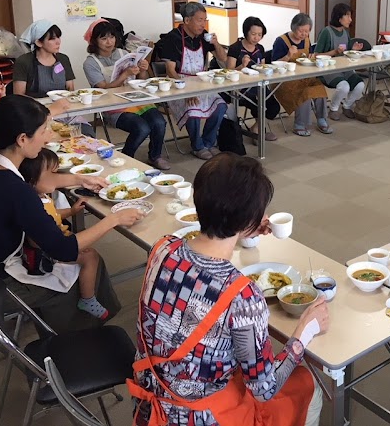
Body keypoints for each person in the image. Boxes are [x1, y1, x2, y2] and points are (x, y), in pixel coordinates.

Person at [130, 153, 329, 426]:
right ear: (247, 219)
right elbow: (264, 389)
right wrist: (304, 332)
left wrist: (244, 227)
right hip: (202, 418)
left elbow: (202, 269)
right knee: (308, 386)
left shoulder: (162, 248)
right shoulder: (242, 296)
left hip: (149, 408)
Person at [0, 95, 142, 333]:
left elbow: (37, 180)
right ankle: (78, 338)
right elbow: (63, 249)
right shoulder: (17, 191)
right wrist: (113, 219)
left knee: (82, 258)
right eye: (44, 130)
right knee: (83, 268)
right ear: (22, 139)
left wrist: (80, 179)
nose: (49, 137)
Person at [19, 149, 110, 320]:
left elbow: (53, 214)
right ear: (31, 178)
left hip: (56, 242)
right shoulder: (32, 205)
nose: (58, 178)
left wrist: (71, 211)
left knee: (85, 247)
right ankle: (87, 299)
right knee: (91, 256)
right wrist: (112, 220)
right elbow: (45, 245)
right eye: (52, 173)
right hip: (46, 256)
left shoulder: (41, 196)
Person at [83, 20, 169, 169]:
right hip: (112, 105)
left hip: (136, 99)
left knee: (159, 122)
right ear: (94, 41)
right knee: (142, 128)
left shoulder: (124, 54)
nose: (109, 42)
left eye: (112, 37)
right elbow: (103, 88)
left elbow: (141, 80)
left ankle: (155, 156)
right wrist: (125, 74)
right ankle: (127, 158)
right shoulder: (90, 63)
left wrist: (143, 69)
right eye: (103, 38)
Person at [155, 2, 228, 160]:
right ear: (187, 20)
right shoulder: (172, 38)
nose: (203, 24)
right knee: (193, 108)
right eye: (200, 20)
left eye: (205, 20)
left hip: (201, 82)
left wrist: (216, 43)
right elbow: (170, 71)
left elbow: (223, 58)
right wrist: (186, 91)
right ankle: (197, 146)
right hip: (178, 84)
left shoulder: (204, 36)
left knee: (221, 106)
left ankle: (208, 142)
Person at [13, 19, 83, 126]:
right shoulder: (24, 62)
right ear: (39, 42)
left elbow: (70, 89)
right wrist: (45, 107)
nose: (58, 42)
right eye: (52, 39)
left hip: (64, 110)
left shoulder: (63, 59)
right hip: (36, 114)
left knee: (85, 132)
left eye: (58, 37)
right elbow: (19, 96)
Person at [272, 13, 333, 136]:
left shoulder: (306, 40)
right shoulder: (281, 41)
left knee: (318, 87)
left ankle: (322, 119)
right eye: (301, 31)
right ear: (293, 27)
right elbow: (273, 65)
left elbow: (308, 57)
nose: (304, 34)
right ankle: (300, 124)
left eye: (307, 31)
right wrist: (288, 55)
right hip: (284, 80)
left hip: (304, 76)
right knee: (305, 92)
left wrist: (311, 57)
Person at [225, 16, 280, 144]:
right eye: (253, 34)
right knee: (258, 103)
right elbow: (229, 72)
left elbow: (263, 67)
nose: (257, 38)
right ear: (246, 32)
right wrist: (242, 66)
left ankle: (256, 128)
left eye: (260, 35)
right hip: (240, 88)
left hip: (258, 85)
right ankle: (259, 132)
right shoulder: (235, 48)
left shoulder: (260, 48)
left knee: (274, 107)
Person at [315, 3, 365, 120]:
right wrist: (335, 52)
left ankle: (347, 106)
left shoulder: (345, 32)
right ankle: (333, 108)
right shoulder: (326, 32)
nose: (350, 19)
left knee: (360, 85)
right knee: (344, 86)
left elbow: (345, 53)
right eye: (347, 16)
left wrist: (353, 50)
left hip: (344, 68)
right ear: (339, 17)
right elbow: (316, 55)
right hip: (328, 70)